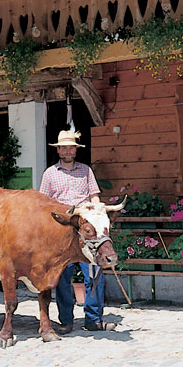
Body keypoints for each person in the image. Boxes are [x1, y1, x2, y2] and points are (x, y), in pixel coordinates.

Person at [39, 129, 114, 334]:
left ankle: (93, 319)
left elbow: (95, 196)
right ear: (58, 150)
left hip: (86, 230)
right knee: (63, 276)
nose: (67, 150)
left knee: (94, 271)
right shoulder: (50, 173)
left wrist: (98, 213)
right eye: (63, 147)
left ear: (75, 150)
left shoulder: (86, 170)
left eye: (71, 147)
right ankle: (66, 321)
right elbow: (43, 204)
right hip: (63, 230)